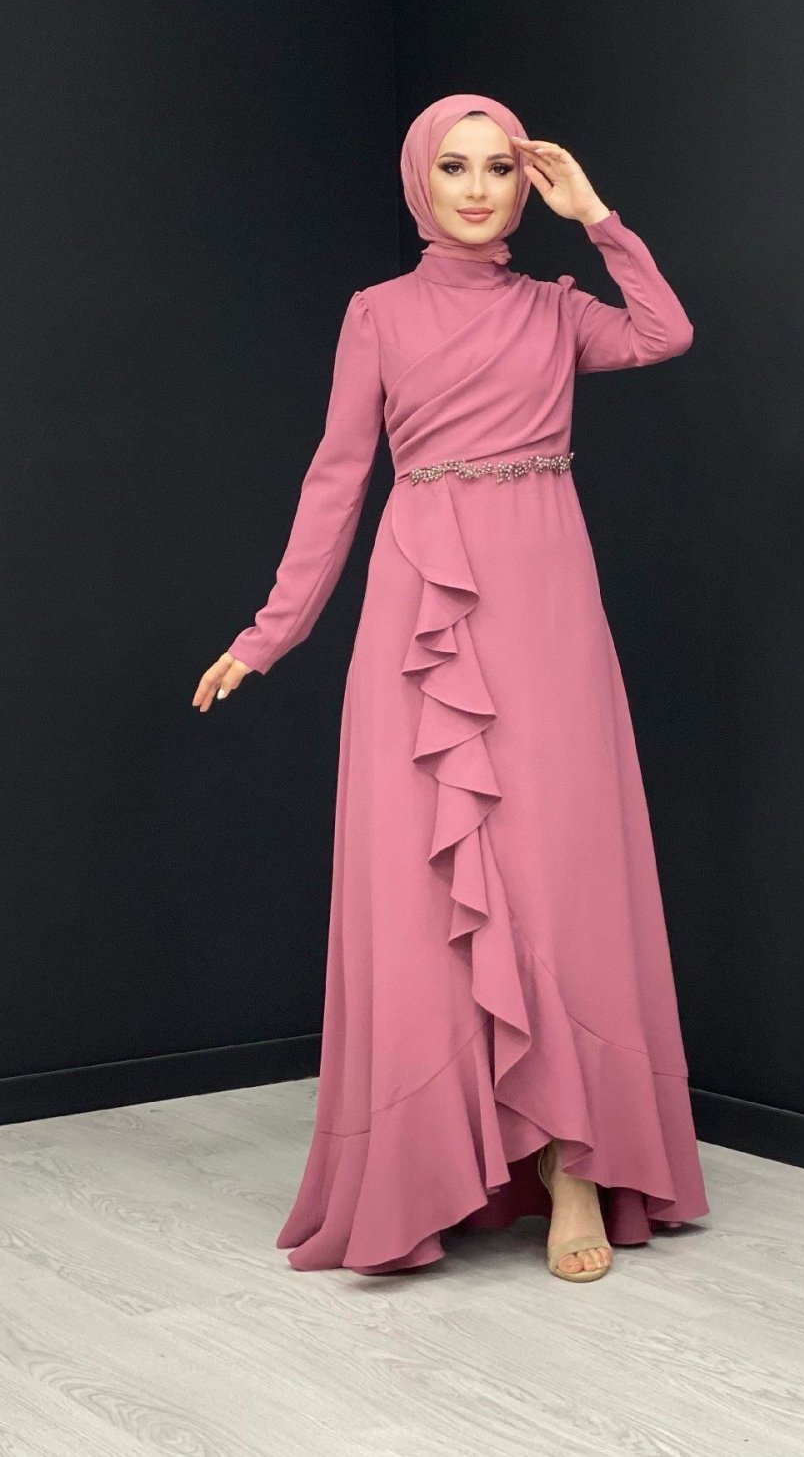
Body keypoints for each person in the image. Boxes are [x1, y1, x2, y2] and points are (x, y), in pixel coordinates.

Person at [193, 92, 710, 1282]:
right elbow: (336, 480)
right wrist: (271, 632)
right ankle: (434, 1167)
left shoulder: (557, 310)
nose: (477, 190)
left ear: (526, 185)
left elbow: (666, 332)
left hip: (546, 604)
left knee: (559, 878)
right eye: (455, 168)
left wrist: (598, 217)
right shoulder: (376, 313)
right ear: (419, 181)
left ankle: (574, 1167)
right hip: (423, 608)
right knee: (429, 893)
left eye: (499, 170)